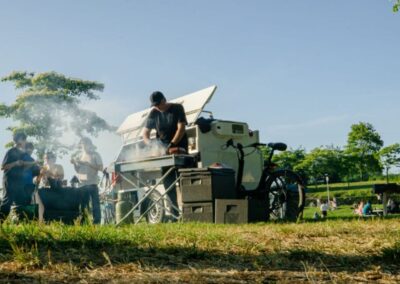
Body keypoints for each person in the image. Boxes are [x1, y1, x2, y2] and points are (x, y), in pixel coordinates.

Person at [142, 91, 188, 218]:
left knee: (184, 182)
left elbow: (181, 128)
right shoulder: (154, 113)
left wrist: (172, 144)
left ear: (164, 100)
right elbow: (145, 133)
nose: (156, 107)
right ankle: (175, 214)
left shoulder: (177, 108)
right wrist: (151, 144)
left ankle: (188, 213)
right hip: (163, 154)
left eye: (158, 104)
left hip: (179, 149)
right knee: (169, 185)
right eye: (154, 105)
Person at [71, 137, 103, 224]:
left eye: (86, 143)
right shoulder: (79, 156)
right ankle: (84, 222)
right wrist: (74, 163)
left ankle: (96, 222)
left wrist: (88, 164)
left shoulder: (95, 154)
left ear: (90, 144)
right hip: (82, 183)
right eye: (82, 144)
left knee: (95, 204)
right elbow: (77, 170)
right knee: (83, 205)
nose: (84, 145)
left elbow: (101, 168)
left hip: (92, 183)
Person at [0, 132, 30, 220]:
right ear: (18, 141)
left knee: (22, 202)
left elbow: (25, 166)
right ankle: (0, 223)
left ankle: (20, 224)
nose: (25, 141)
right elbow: (3, 167)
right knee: (7, 203)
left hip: (20, 182)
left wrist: (34, 164)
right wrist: (15, 163)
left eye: (25, 139)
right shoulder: (11, 151)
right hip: (9, 181)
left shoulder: (24, 153)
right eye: (23, 139)